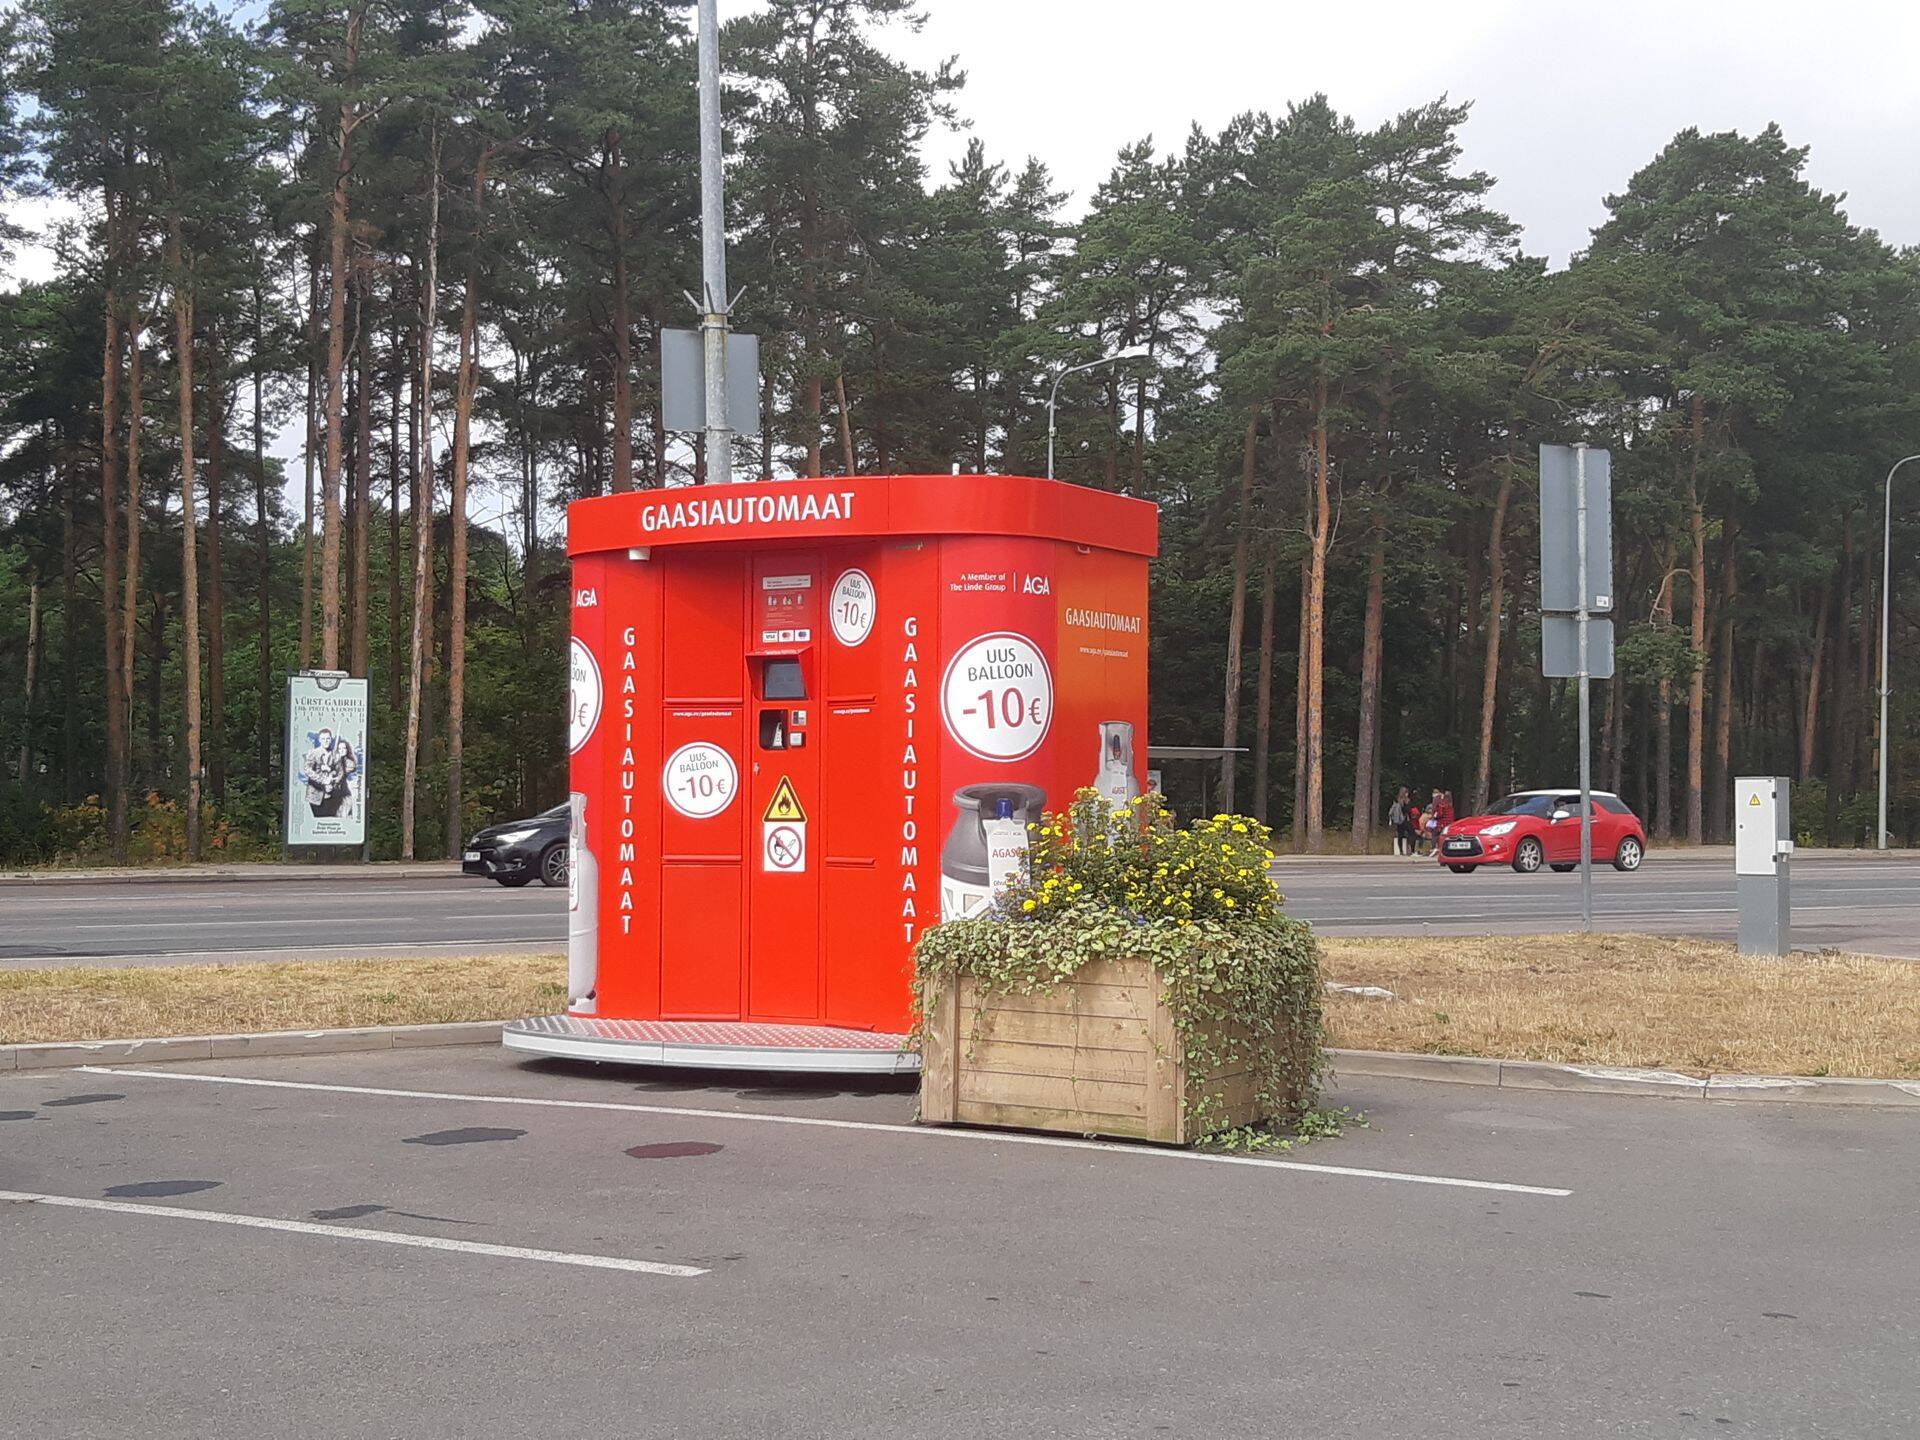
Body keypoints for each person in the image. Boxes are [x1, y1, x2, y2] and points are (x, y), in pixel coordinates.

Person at [1387, 787, 1415, 856]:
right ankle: (1411, 849)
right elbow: (1408, 810)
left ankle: (1401, 850)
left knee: (1400, 835)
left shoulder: (1397, 801)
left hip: (1398, 821)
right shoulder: (1406, 801)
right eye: (1406, 793)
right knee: (1412, 833)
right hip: (1405, 820)